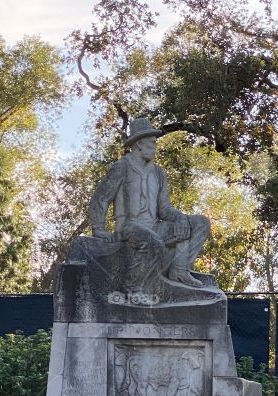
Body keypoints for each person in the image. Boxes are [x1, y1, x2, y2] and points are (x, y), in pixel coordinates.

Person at [87, 118, 211, 290]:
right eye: (152, 143)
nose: (155, 147)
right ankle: (133, 288)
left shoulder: (158, 172)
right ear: (139, 144)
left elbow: (164, 209)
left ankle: (180, 271)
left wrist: (180, 218)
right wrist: (98, 229)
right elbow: (101, 198)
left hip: (154, 225)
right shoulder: (122, 166)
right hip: (129, 227)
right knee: (153, 241)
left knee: (200, 223)